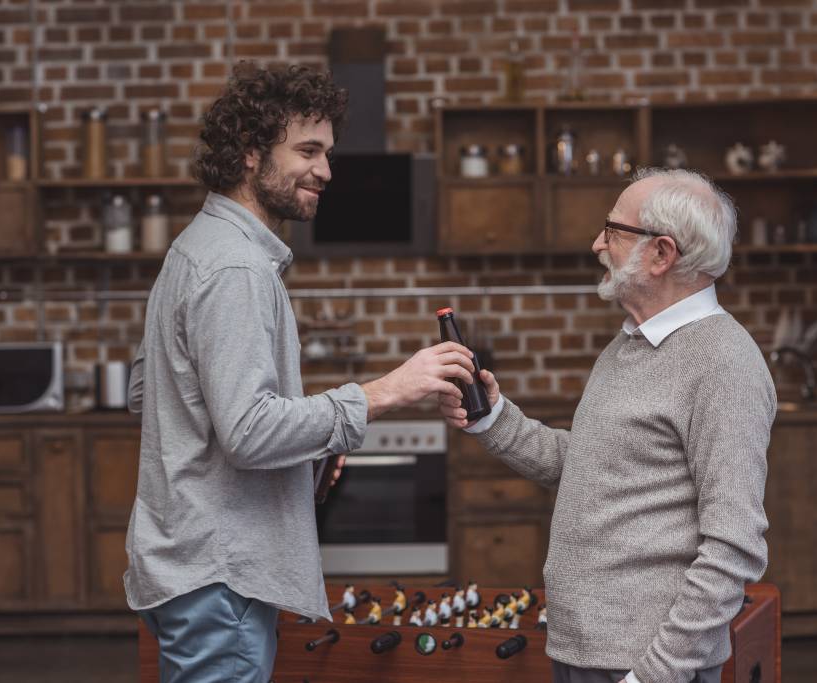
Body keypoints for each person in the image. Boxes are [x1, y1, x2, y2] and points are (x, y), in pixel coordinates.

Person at [125, 62, 476, 683]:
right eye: (307, 151)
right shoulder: (236, 270)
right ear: (250, 155)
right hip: (220, 575)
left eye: (329, 152)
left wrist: (302, 454)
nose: (327, 171)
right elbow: (248, 433)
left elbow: (148, 392)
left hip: (192, 570)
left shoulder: (195, 248)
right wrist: (387, 389)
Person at [439, 168, 776, 683]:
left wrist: (656, 674)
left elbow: (734, 547)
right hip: (584, 650)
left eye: (614, 231)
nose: (598, 243)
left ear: (662, 254)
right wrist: (493, 418)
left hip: (641, 667)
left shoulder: (723, 364)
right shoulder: (630, 344)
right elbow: (589, 469)